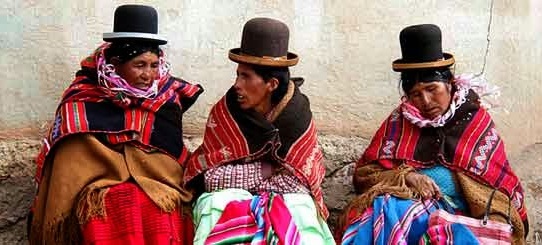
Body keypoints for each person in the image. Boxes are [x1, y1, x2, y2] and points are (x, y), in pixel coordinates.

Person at [336, 24, 528, 244]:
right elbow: (365, 174)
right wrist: (407, 176)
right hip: (410, 207)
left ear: (450, 84)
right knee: (385, 209)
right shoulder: (399, 121)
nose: (425, 102)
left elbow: (496, 187)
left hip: (461, 217)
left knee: (400, 212)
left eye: (432, 89)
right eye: (416, 94)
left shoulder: (475, 122)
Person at [28, 5, 203, 244]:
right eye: (139, 65)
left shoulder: (165, 97)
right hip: (97, 185)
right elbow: (71, 158)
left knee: (162, 204)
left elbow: (170, 156)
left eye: (154, 65)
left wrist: (142, 166)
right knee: (115, 204)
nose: (149, 75)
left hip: (158, 181)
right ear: (116, 64)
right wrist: (116, 167)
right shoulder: (83, 96)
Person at [183, 17, 335, 244]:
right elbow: (211, 179)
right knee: (217, 205)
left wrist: (250, 185)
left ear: (271, 84)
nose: (237, 84)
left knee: (300, 211)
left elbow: (300, 184)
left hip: (288, 198)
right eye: (238, 74)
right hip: (229, 197)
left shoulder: (297, 118)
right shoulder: (226, 112)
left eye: (246, 76)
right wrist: (266, 170)